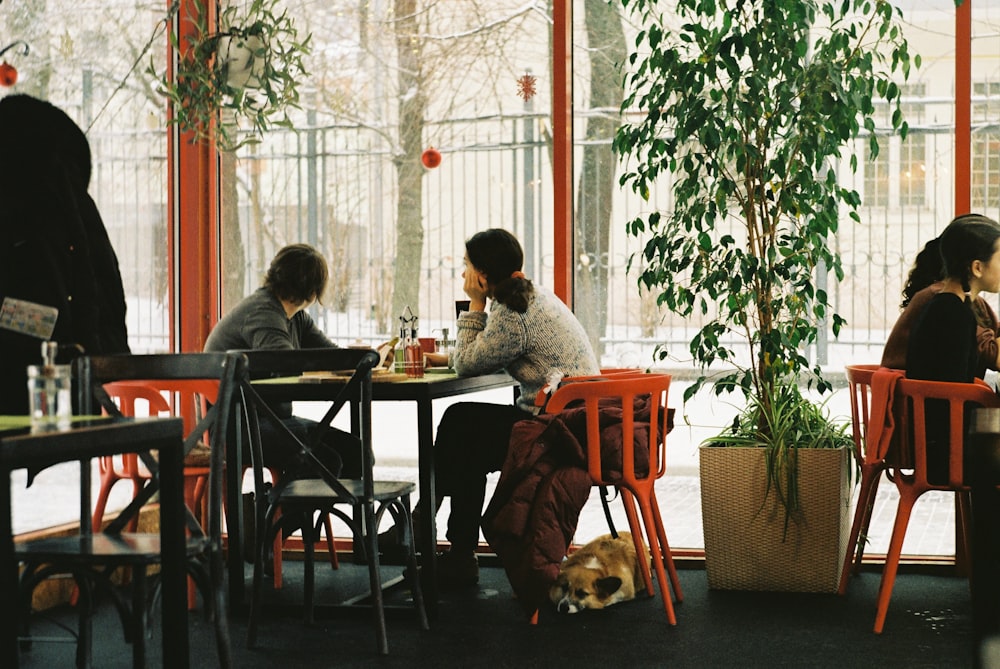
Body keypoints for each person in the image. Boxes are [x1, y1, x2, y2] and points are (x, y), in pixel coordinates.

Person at [386, 228, 600, 588]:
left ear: (482, 275)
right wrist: (451, 356)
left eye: (466, 267)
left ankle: (433, 532)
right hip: (573, 421)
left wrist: (474, 305)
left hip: (559, 431)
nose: (462, 275)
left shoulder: (510, 311)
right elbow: (489, 353)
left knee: (460, 424)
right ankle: (442, 540)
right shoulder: (530, 297)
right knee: (465, 434)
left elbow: (469, 363)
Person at [903, 214, 1000, 665]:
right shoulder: (952, 313)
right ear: (977, 267)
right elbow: (958, 391)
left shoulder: (948, 306)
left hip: (946, 442)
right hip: (948, 452)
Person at [0, 94, 130, 414]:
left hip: (34, 380)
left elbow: (39, 315)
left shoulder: (31, 208)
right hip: (75, 379)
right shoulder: (72, 204)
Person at [204, 243, 361, 479]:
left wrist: (367, 357)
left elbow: (331, 356)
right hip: (238, 428)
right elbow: (285, 364)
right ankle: (286, 514)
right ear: (313, 292)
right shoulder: (263, 312)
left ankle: (294, 510)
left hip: (272, 420)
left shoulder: (295, 317)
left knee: (356, 454)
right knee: (327, 459)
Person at [882, 213, 1000, 377]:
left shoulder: (952, 302)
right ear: (977, 267)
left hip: (934, 400)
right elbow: (951, 392)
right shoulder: (950, 309)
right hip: (924, 401)